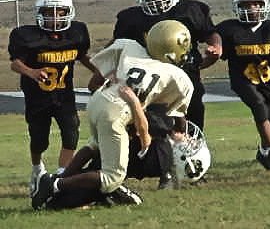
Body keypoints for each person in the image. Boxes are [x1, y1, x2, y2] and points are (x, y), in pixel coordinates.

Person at [31, 19, 195, 210]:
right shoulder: (178, 77)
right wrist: (182, 134)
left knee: (94, 144)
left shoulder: (129, 46)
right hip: (118, 111)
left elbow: (95, 80)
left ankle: (60, 179)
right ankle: (53, 184)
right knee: (112, 177)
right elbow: (173, 116)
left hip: (100, 99)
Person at [43, 89, 211, 210]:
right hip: (116, 150)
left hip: (113, 162)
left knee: (80, 191)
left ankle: (56, 185)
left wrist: (135, 104)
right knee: (94, 147)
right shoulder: (165, 146)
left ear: (184, 158)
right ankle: (61, 181)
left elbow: (145, 138)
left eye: (191, 146)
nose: (190, 139)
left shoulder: (163, 157)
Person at [102, 0, 222, 131]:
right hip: (151, 80)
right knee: (156, 125)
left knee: (193, 118)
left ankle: (192, 150)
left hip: (186, 74)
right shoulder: (132, 19)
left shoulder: (188, 11)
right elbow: (118, 44)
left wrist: (216, 46)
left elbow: (210, 33)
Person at [8, 0, 97, 197]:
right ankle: (37, 169)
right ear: (40, 13)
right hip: (37, 96)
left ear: (69, 12)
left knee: (71, 131)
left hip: (64, 94)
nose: (55, 17)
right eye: (49, 12)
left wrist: (99, 72)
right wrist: (31, 72)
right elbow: (15, 63)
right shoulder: (26, 36)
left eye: (60, 12)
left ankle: (62, 175)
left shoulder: (77, 33)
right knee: (39, 139)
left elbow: (82, 56)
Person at [215, 0, 270, 174]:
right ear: (237, 6)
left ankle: (264, 150)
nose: (252, 8)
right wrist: (205, 60)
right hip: (242, 80)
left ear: (264, 5)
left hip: (266, 82)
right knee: (258, 105)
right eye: (246, 5)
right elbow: (216, 55)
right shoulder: (229, 30)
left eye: (256, 4)